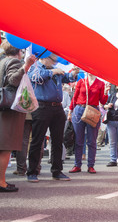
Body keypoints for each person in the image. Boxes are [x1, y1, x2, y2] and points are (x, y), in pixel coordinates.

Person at [26, 53, 78, 183]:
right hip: (41, 107)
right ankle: (32, 172)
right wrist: (53, 72)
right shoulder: (35, 67)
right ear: (45, 57)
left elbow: (67, 77)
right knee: (37, 141)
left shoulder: (55, 70)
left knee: (58, 141)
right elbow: (35, 78)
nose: (55, 63)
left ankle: (57, 171)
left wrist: (74, 72)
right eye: (54, 61)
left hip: (57, 108)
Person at [0, 41, 36, 192]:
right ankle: (1, 182)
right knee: (5, 148)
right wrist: (26, 65)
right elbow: (13, 80)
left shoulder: (2, 61)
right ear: (19, 51)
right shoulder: (14, 61)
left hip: (2, 107)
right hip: (9, 109)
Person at [68, 74, 110, 174]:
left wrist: (105, 92)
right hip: (79, 110)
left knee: (92, 140)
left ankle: (91, 165)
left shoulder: (101, 83)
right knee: (78, 140)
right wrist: (70, 111)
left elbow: (102, 101)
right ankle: (77, 165)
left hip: (92, 110)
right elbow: (75, 97)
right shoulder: (81, 81)